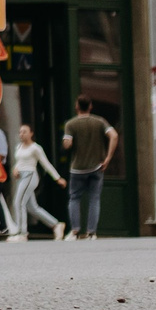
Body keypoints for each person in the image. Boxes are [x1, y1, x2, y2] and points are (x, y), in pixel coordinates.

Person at [59, 95, 118, 239]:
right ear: (90, 106)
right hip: (97, 167)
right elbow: (114, 136)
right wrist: (108, 158)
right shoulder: (100, 122)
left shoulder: (71, 124)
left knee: (74, 198)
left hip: (77, 168)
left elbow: (67, 144)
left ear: (77, 107)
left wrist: (66, 143)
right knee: (94, 199)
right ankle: (92, 232)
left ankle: (75, 231)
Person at [8, 121, 68, 241]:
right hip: (21, 176)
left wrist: (57, 178)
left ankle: (22, 233)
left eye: (24, 132)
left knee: (19, 202)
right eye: (20, 132)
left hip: (30, 175)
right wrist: (15, 169)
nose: (21, 134)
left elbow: (46, 164)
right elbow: (19, 162)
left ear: (31, 133)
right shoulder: (18, 146)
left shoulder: (35, 148)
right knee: (32, 207)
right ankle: (56, 225)